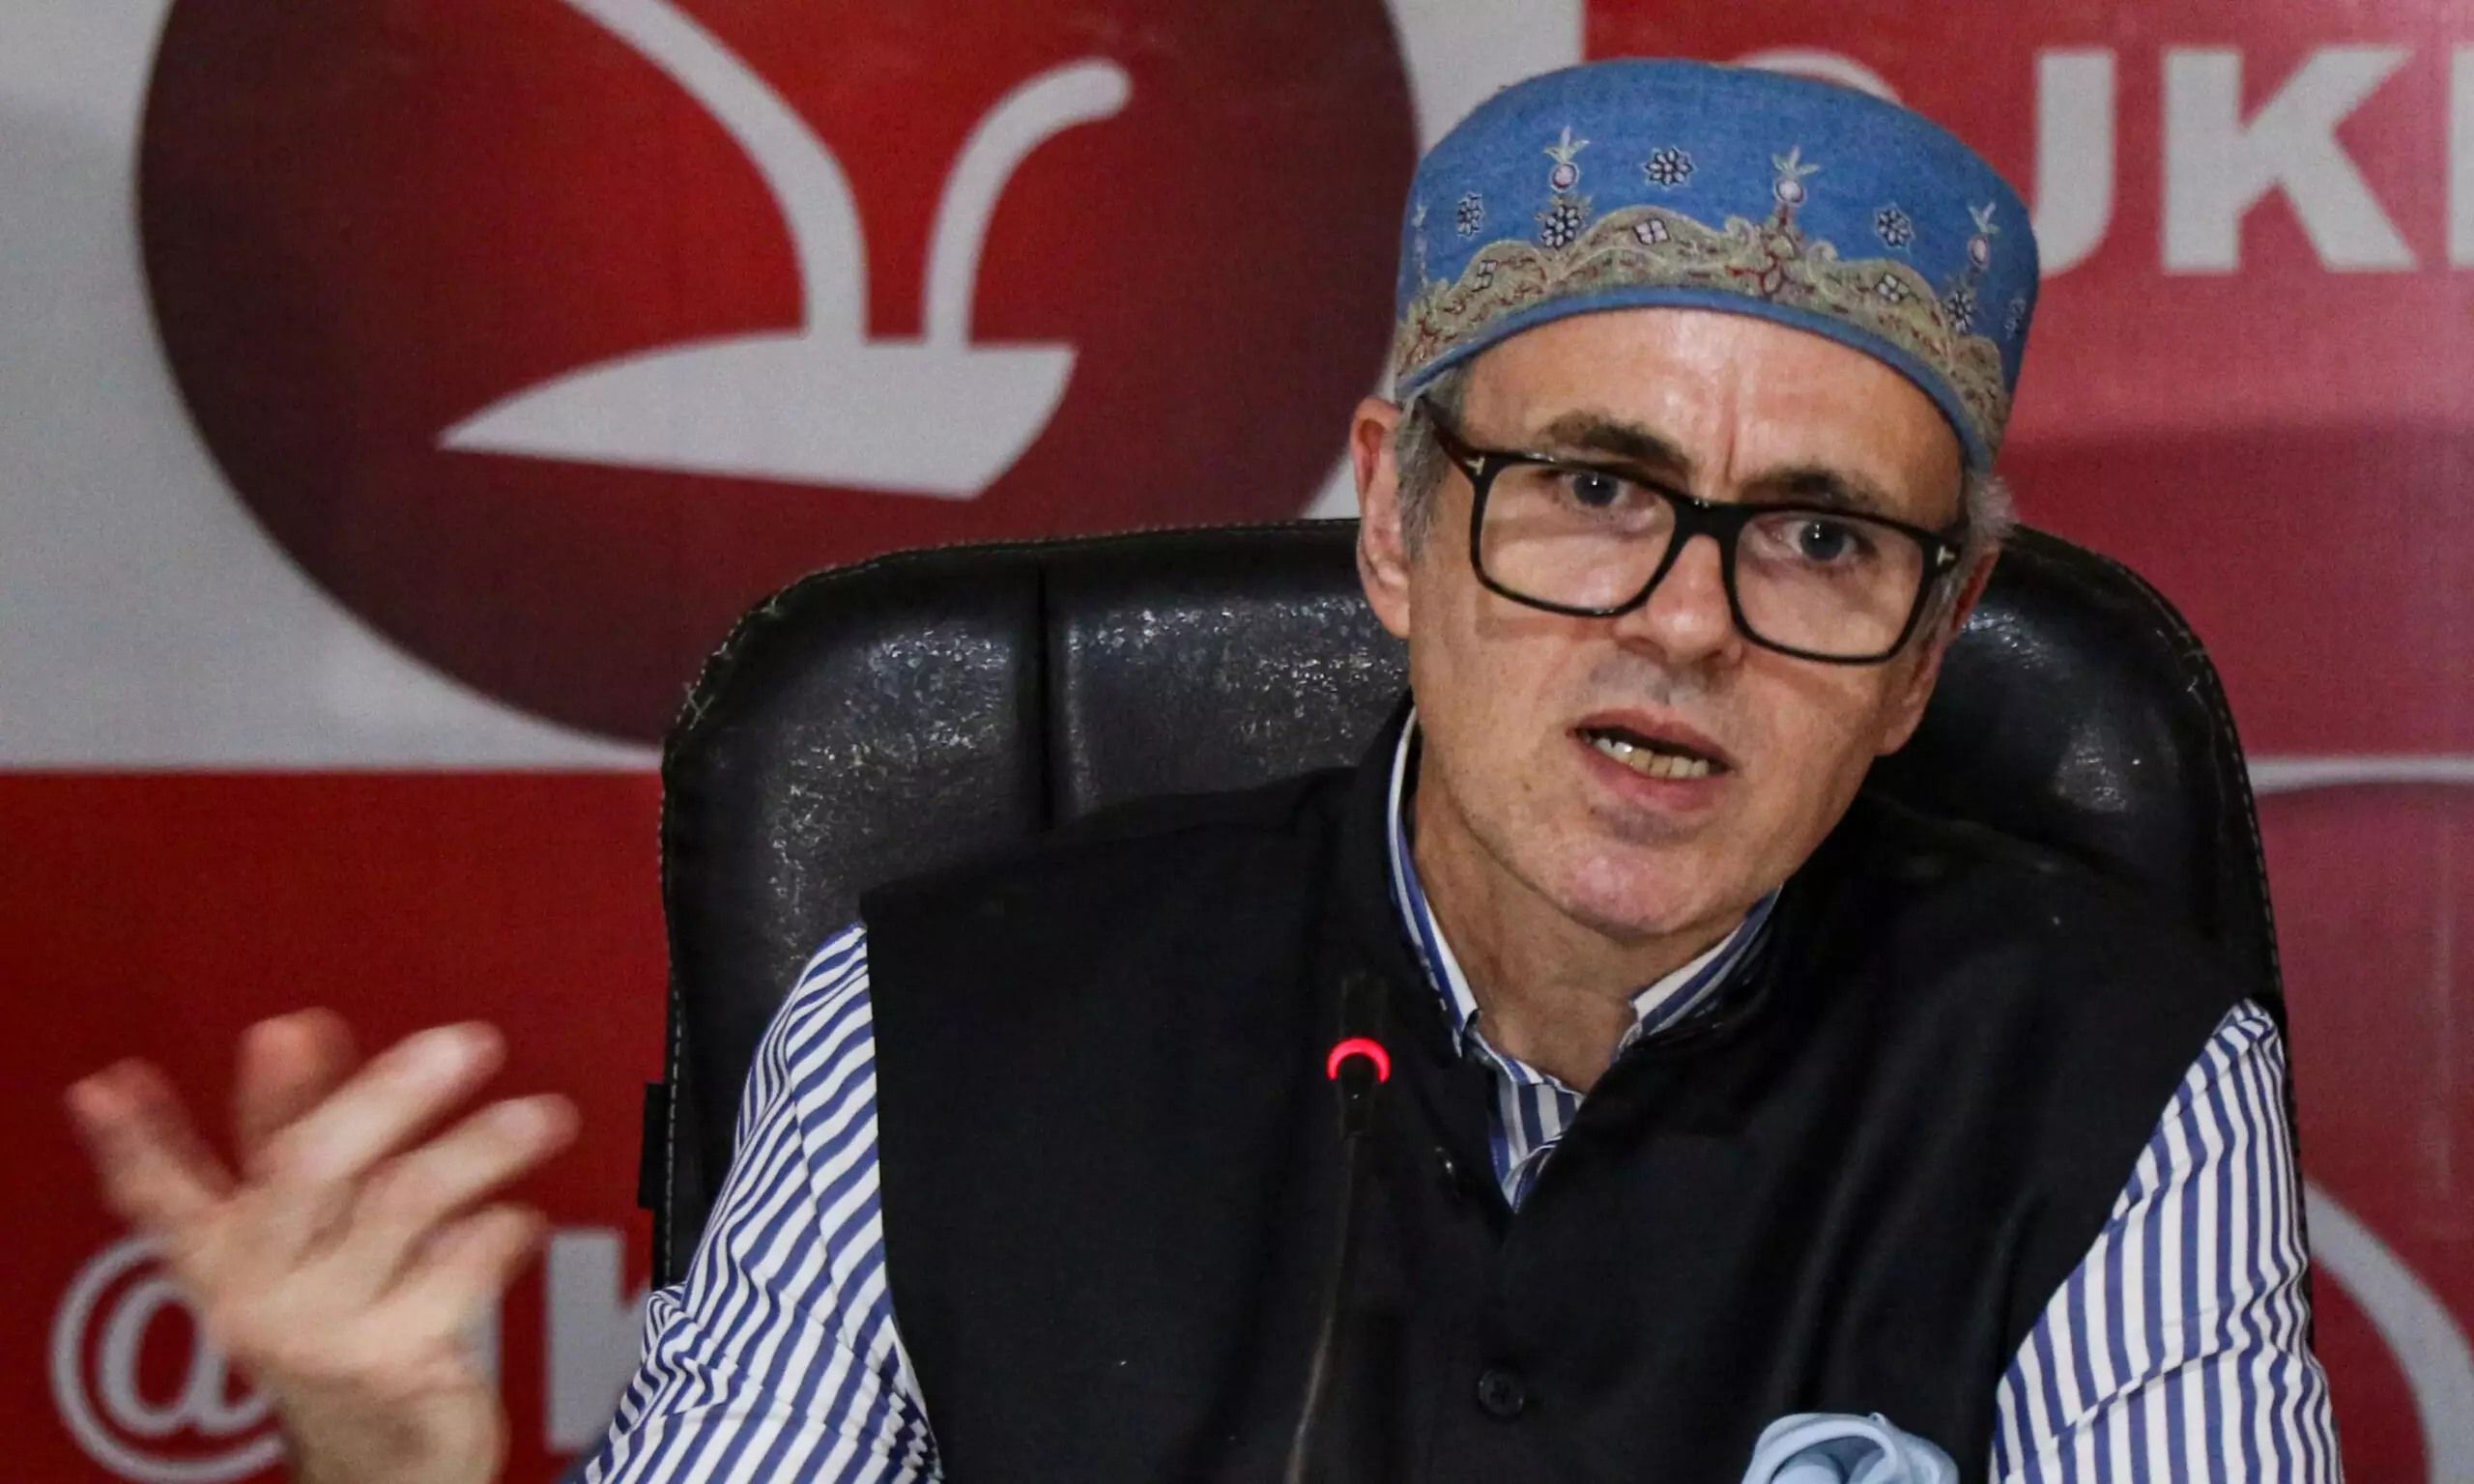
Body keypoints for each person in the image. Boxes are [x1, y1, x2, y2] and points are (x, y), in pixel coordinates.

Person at [66, 59, 2339, 1483]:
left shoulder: (2116, 1080)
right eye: (1589, 489)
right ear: (1393, 524)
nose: (1681, 619)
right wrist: (385, 1461)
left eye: (1819, 543)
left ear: (1926, 646)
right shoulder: (934, 1020)